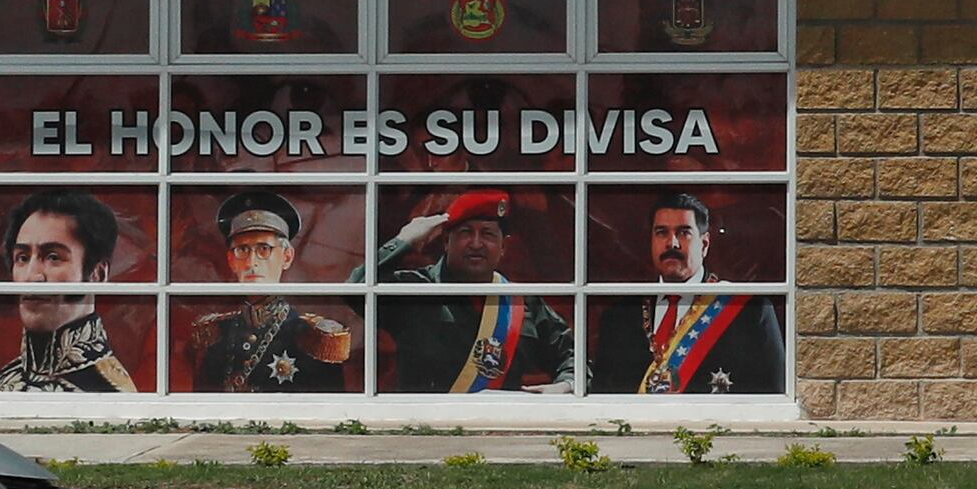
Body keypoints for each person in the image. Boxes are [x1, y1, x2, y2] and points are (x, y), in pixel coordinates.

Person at [375, 187, 575, 392]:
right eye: (466, 232)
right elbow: (360, 292)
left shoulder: (522, 301)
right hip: (428, 413)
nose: (476, 244)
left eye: (487, 234)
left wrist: (566, 385)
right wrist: (402, 241)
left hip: (500, 413)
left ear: (503, 247)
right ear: (446, 241)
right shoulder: (416, 290)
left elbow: (572, 355)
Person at [595, 189, 784, 395]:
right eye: (661, 233)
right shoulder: (618, 316)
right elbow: (602, 399)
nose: (672, 243)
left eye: (684, 233)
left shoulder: (748, 310)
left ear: (704, 244)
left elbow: (773, 398)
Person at [185, 187, 354, 392]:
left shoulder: (313, 339)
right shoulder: (215, 334)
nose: (251, 262)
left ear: (287, 257)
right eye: (242, 250)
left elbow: (329, 407)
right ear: (231, 260)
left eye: (264, 249)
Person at [0, 187, 138, 390]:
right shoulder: (4, 380)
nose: (32, 276)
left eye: (53, 257)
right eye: (22, 258)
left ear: (97, 274)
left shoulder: (107, 393)